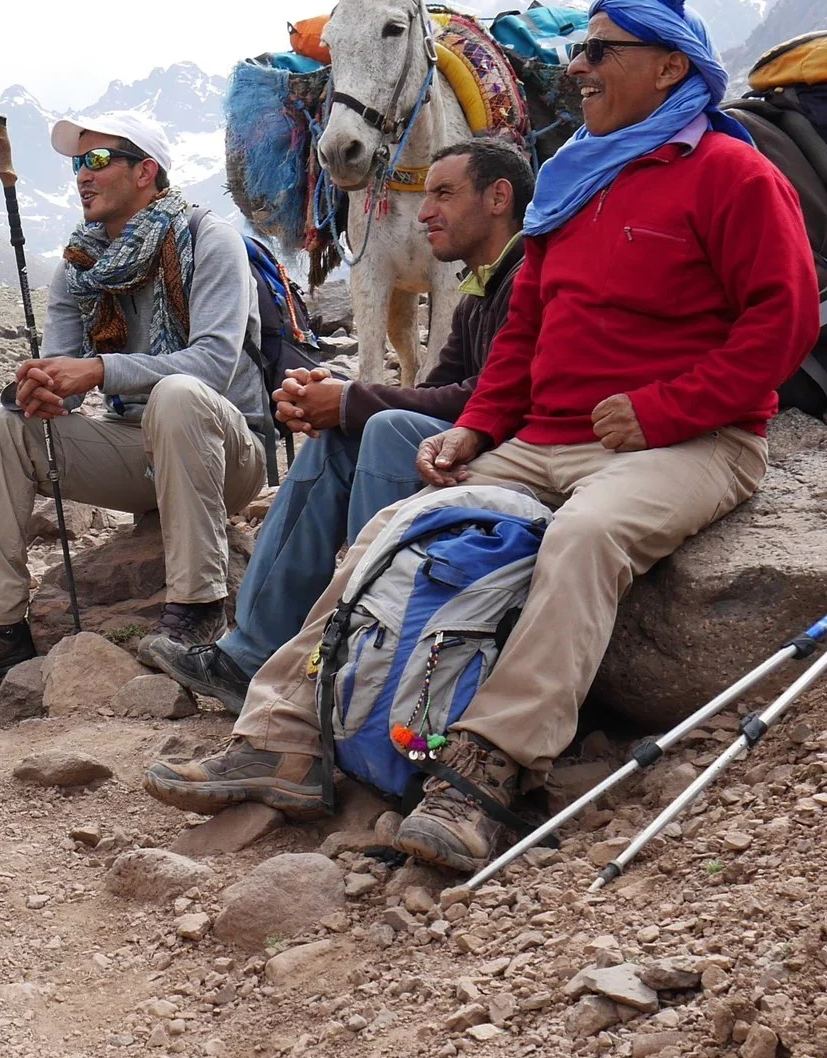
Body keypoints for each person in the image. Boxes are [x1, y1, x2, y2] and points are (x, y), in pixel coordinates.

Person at [143, 0, 822, 870]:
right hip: (544, 438)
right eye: (578, 49)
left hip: (695, 440)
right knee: (395, 527)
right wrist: (476, 428)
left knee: (585, 538)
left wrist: (664, 407)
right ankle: (281, 737)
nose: (578, 66)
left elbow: (785, 322)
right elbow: (524, 333)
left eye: (598, 51)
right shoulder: (575, 178)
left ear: (667, 68)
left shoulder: (734, 174)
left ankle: (486, 774)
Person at [141, 137, 533, 712]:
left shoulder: (528, 278)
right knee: (336, 442)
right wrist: (335, 405)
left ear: (499, 197)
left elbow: (493, 396)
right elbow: (434, 392)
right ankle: (249, 654)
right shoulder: (480, 290)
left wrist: (351, 401)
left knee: (383, 429)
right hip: (479, 443)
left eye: (443, 194)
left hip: (528, 453)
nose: (424, 213)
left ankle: (362, 657)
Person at [0, 112, 267, 694]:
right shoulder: (81, 267)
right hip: (140, 452)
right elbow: (63, 374)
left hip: (227, 453)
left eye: (98, 161)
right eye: (78, 163)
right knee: (0, 426)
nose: (82, 175)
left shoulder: (210, 239)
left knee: (178, 394)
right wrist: (40, 391)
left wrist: (100, 370)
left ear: (147, 171)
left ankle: (200, 606)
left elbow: (213, 364)